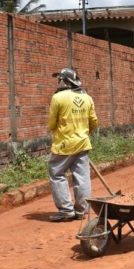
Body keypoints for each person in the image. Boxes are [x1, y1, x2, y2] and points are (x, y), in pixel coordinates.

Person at [47, 68, 98, 222]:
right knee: (82, 177)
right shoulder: (87, 98)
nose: (58, 81)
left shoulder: (58, 97)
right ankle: (82, 210)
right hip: (82, 143)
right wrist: (82, 133)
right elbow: (94, 122)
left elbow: (51, 124)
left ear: (65, 80)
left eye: (60, 79)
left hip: (64, 145)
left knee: (56, 174)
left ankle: (66, 210)